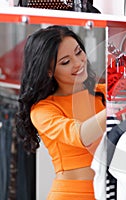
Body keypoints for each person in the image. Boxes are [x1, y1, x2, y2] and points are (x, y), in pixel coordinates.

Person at [16, 25, 106, 199]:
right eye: (65, 62)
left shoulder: (102, 93)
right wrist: (115, 109)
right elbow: (82, 135)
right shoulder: (43, 111)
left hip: (107, 191)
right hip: (71, 194)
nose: (79, 63)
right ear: (49, 71)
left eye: (79, 52)